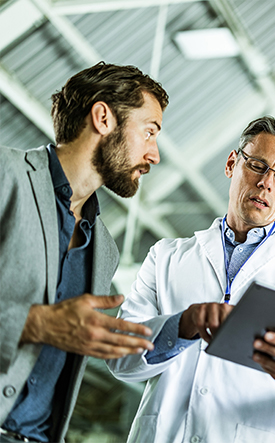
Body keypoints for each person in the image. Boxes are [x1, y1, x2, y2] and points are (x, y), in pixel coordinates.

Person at [106, 116, 275, 443]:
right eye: (258, 165)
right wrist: (184, 324)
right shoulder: (166, 256)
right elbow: (119, 355)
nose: (266, 183)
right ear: (231, 163)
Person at [0, 62, 168, 443]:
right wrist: (34, 324)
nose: (154, 154)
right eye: (149, 132)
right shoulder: (5, 175)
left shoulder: (104, 249)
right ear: (103, 117)